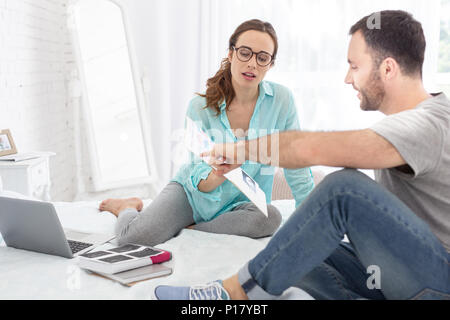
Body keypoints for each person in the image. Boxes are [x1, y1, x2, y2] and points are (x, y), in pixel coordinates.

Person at [155, 10, 450, 300]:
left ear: (387, 69)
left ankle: (233, 293)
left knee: (343, 188)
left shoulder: (427, 125)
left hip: (438, 280)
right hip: (403, 268)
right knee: (300, 248)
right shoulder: (410, 123)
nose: (348, 78)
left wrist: (242, 151)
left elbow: (310, 150)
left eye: (355, 66)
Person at [99, 19, 315, 246]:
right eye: (245, 53)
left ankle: (192, 230)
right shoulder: (199, 107)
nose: (252, 63)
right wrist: (218, 173)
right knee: (130, 238)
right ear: (231, 54)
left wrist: (311, 219)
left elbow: (297, 164)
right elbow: (198, 176)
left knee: (270, 217)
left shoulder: (282, 101)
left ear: (270, 64)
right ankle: (126, 207)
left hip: (239, 205)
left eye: (262, 58)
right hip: (193, 195)